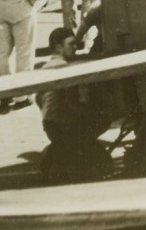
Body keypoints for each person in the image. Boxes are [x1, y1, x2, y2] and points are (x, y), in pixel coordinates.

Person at [37, 28, 109, 183]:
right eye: (71, 44)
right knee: (102, 120)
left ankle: (60, 150)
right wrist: (90, 113)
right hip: (62, 124)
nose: (75, 48)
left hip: (49, 123)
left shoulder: (45, 66)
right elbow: (71, 102)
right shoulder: (65, 67)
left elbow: (38, 98)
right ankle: (65, 151)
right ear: (58, 48)